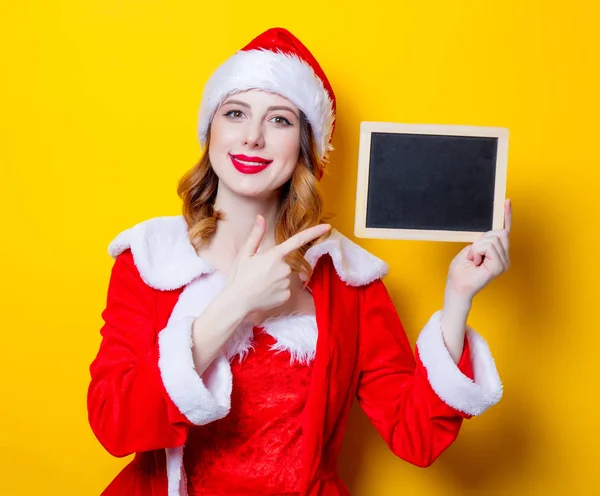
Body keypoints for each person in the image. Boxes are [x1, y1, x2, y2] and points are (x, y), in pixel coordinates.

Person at [87, 27, 511, 496]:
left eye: (280, 120)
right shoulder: (150, 261)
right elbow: (114, 425)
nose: (252, 137)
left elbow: (417, 438)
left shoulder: (349, 280)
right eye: (235, 113)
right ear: (212, 131)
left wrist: (458, 298)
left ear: (305, 146)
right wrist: (233, 304)